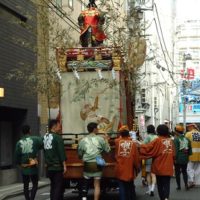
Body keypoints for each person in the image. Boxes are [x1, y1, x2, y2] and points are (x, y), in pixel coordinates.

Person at [139, 124, 175, 200]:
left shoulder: (157, 140)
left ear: (158, 131)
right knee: (166, 184)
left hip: (158, 166)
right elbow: (174, 154)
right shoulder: (170, 141)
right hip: (168, 166)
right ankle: (166, 198)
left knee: (160, 184)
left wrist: (139, 145)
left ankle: (162, 198)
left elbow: (148, 148)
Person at [78, 122, 110, 200]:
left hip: (87, 164)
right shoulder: (100, 139)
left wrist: (82, 157)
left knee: (85, 183)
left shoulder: (83, 140)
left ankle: (84, 198)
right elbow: (108, 150)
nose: (98, 129)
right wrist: (106, 140)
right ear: (95, 129)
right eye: (97, 128)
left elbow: (79, 153)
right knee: (97, 185)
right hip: (97, 164)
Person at [15, 125, 43, 200]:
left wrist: (20, 164)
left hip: (24, 168)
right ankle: (32, 199)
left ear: (22, 132)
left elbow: (17, 157)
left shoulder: (19, 143)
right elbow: (42, 144)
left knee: (26, 186)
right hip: (33, 167)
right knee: (35, 184)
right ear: (30, 130)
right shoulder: (35, 139)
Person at [43, 119, 67, 200]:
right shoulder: (57, 137)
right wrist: (64, 165)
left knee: (53, 186)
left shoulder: (45, 137)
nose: (60, 127)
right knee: (57, 187)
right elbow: (61, 152)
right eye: (59, 126)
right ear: (54, 126)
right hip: (56, 167)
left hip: (49, 167)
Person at [114, 125, 140, 200]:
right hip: (129, 168)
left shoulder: (117, 142)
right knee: (130, 186)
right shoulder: (133, 143)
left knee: (122, 187)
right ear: (128, 133)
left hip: (120, 168)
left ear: (120, 134)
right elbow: (136, 157)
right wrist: (137, 167)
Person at [173, 124, 192, 190]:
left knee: (177, 173)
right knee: (184, 171)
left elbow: (175, 150)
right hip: (185, 158)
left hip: (178, 159)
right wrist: (187, 155)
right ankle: (186, 185)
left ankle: (179, 186)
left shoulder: (176, 139)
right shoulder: (187, 139)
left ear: (176, 131)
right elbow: (190, 150)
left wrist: (174, 158)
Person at [143, 124, 158, 196]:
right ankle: (152, 189)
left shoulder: (148, 137)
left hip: (149, 157)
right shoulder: (157, 137)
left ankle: (149, 189)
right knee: (154, 174)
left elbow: (143, 145)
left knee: (148, 174)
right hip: (156, 157)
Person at [185, 123, 200, 187]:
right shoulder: (199, 133)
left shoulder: (188, 134)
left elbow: (185, 144)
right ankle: (197, 182)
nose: (188, 128)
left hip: (191, 154)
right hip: (199, 154)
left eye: (189, 127)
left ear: (192, 127)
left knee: (189, 168)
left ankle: (191, 180)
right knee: (197, 169)